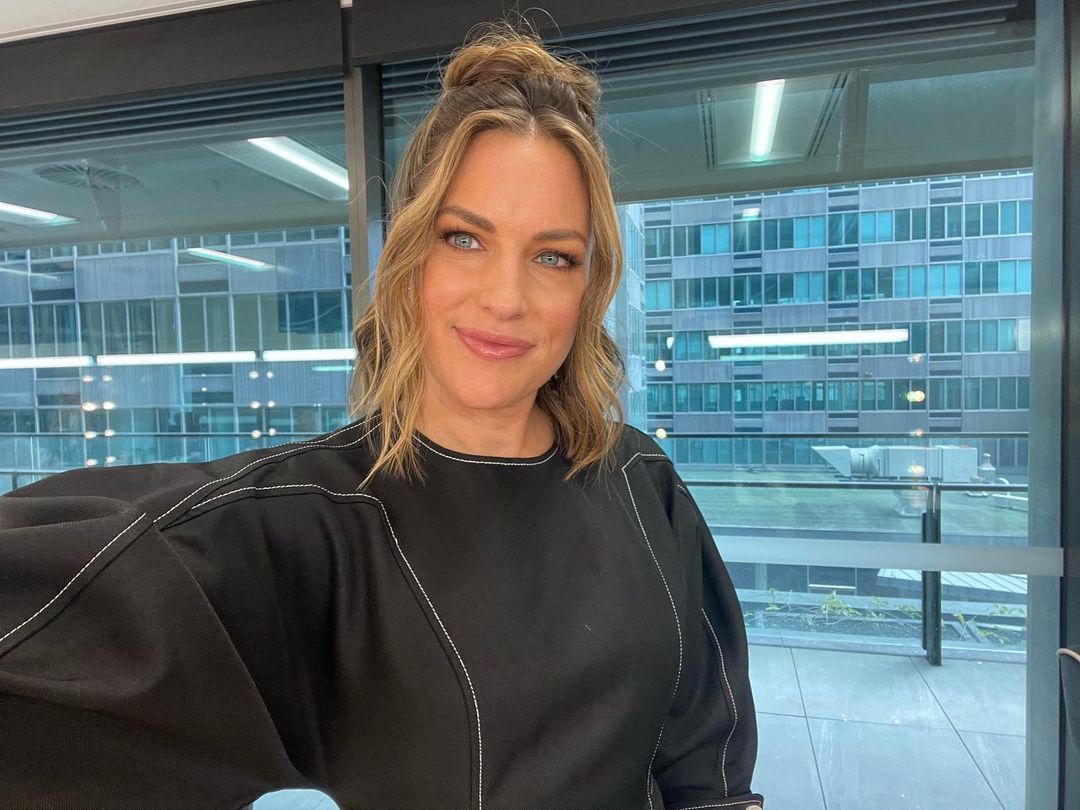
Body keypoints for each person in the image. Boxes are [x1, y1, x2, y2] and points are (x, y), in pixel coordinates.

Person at [0, 22, 763, 810]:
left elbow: (706, 766)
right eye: (465, 239)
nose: (506, 297)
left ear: (588, 286)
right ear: (410, 258)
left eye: (552, 255)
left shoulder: (642, 481)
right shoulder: (310, 523)